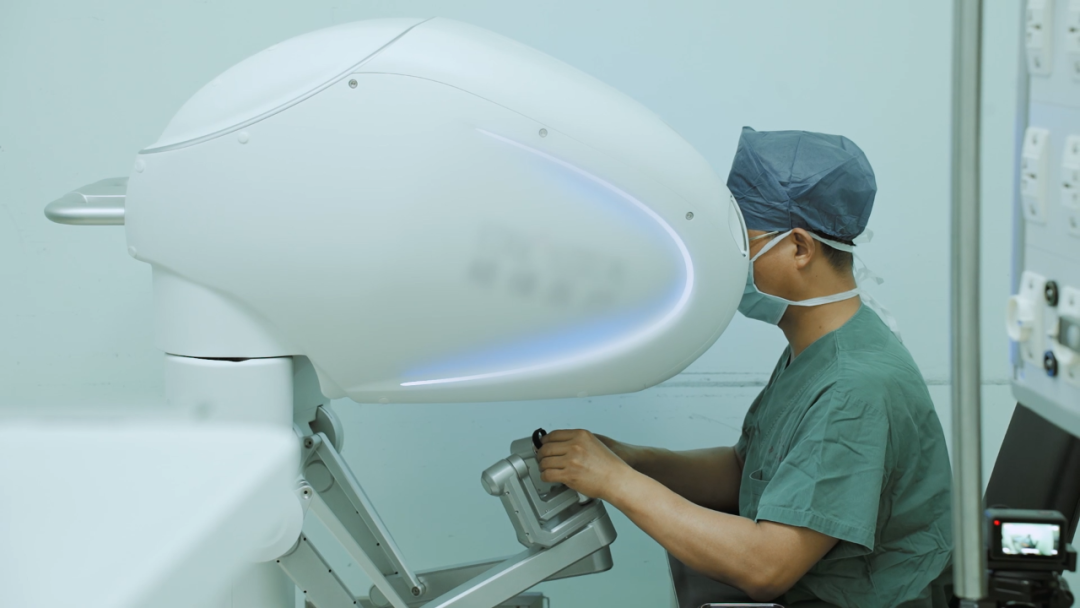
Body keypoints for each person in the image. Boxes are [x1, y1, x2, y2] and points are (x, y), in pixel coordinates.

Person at [536, 127, 953, 607]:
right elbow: (749, 471)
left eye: (743, 242)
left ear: (800, 248)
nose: (729, 260)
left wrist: (616, 481)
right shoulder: (820, 348)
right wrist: (632, 459)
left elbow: (766, 568)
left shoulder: (853, 384)